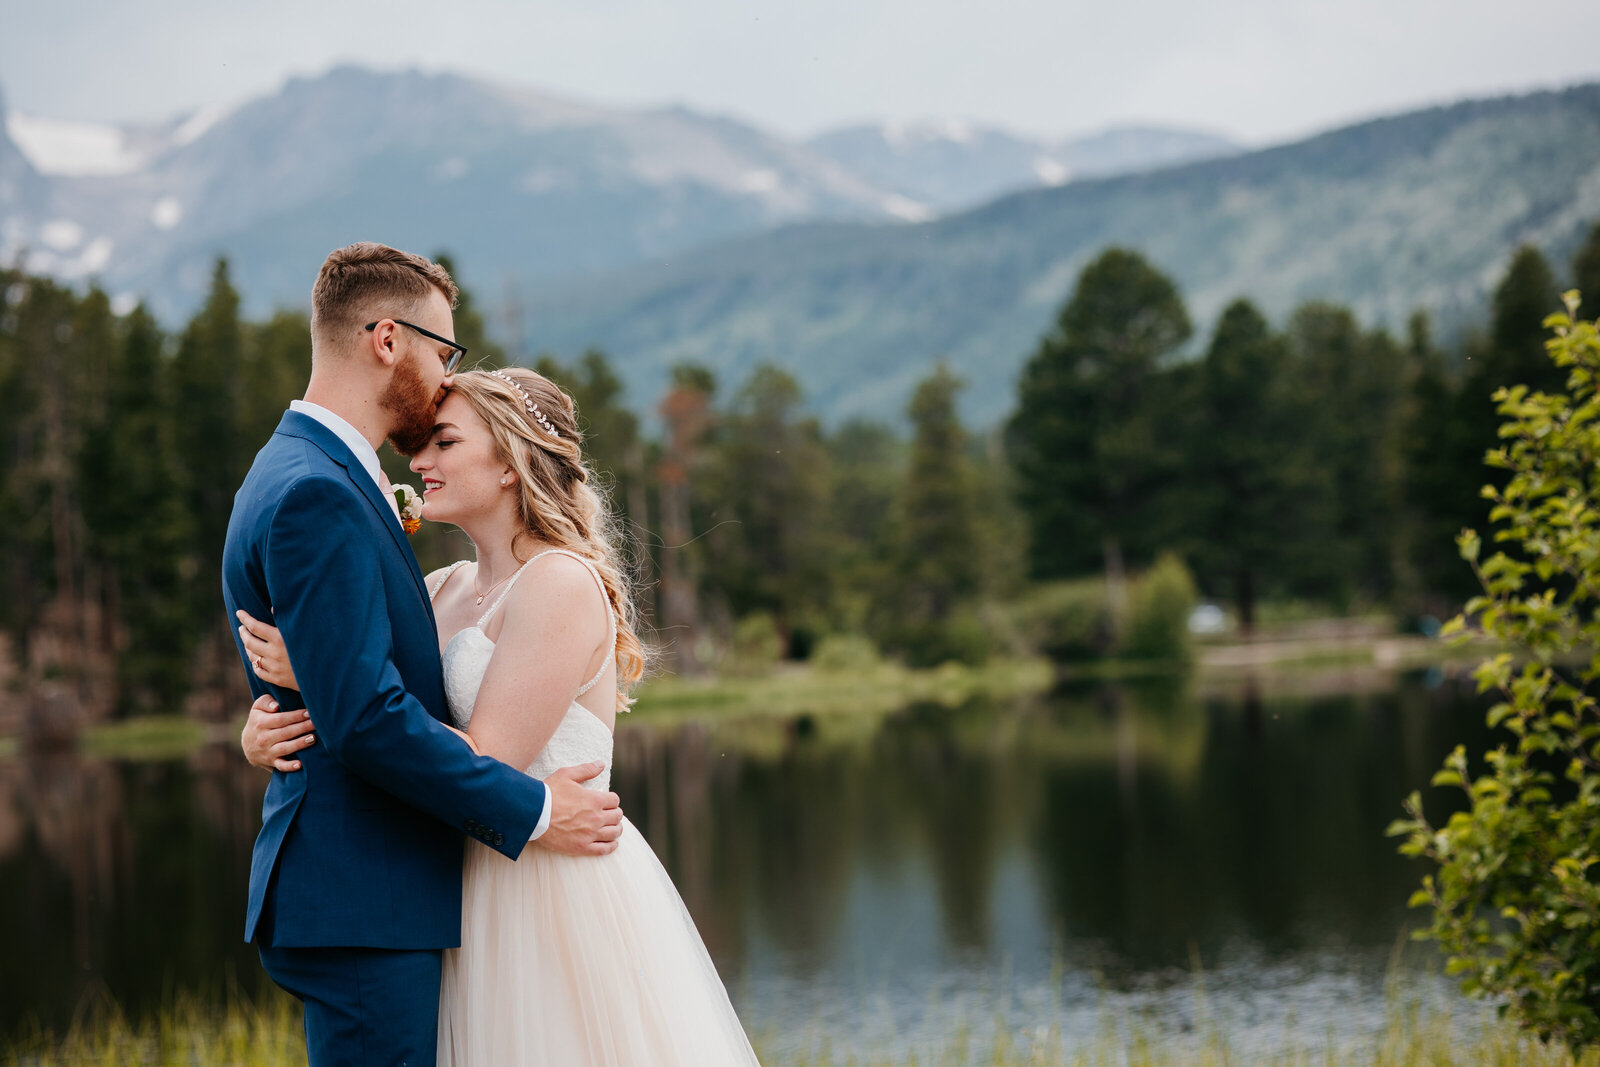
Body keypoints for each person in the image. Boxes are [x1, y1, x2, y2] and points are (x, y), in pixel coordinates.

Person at [239, 366, 761, 1065]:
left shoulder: (559, 582)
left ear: (511, 462)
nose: (419, 460)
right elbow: (382, 715)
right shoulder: (439, 589)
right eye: (422, 444)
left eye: (444, 442)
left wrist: (324, 677)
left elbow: (485, 756)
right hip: (460, 884)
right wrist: (266, 728)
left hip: (548, 891)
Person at [222, 243, 624, 1067]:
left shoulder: (304, 471)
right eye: (443, 351)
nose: (443, 376)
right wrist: (538, 810)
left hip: (468, 896)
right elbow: (368, 714)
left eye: (450, 439)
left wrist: (314, 688)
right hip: (377, 892)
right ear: (387, 339)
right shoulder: (317, 488)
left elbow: (367, 690)